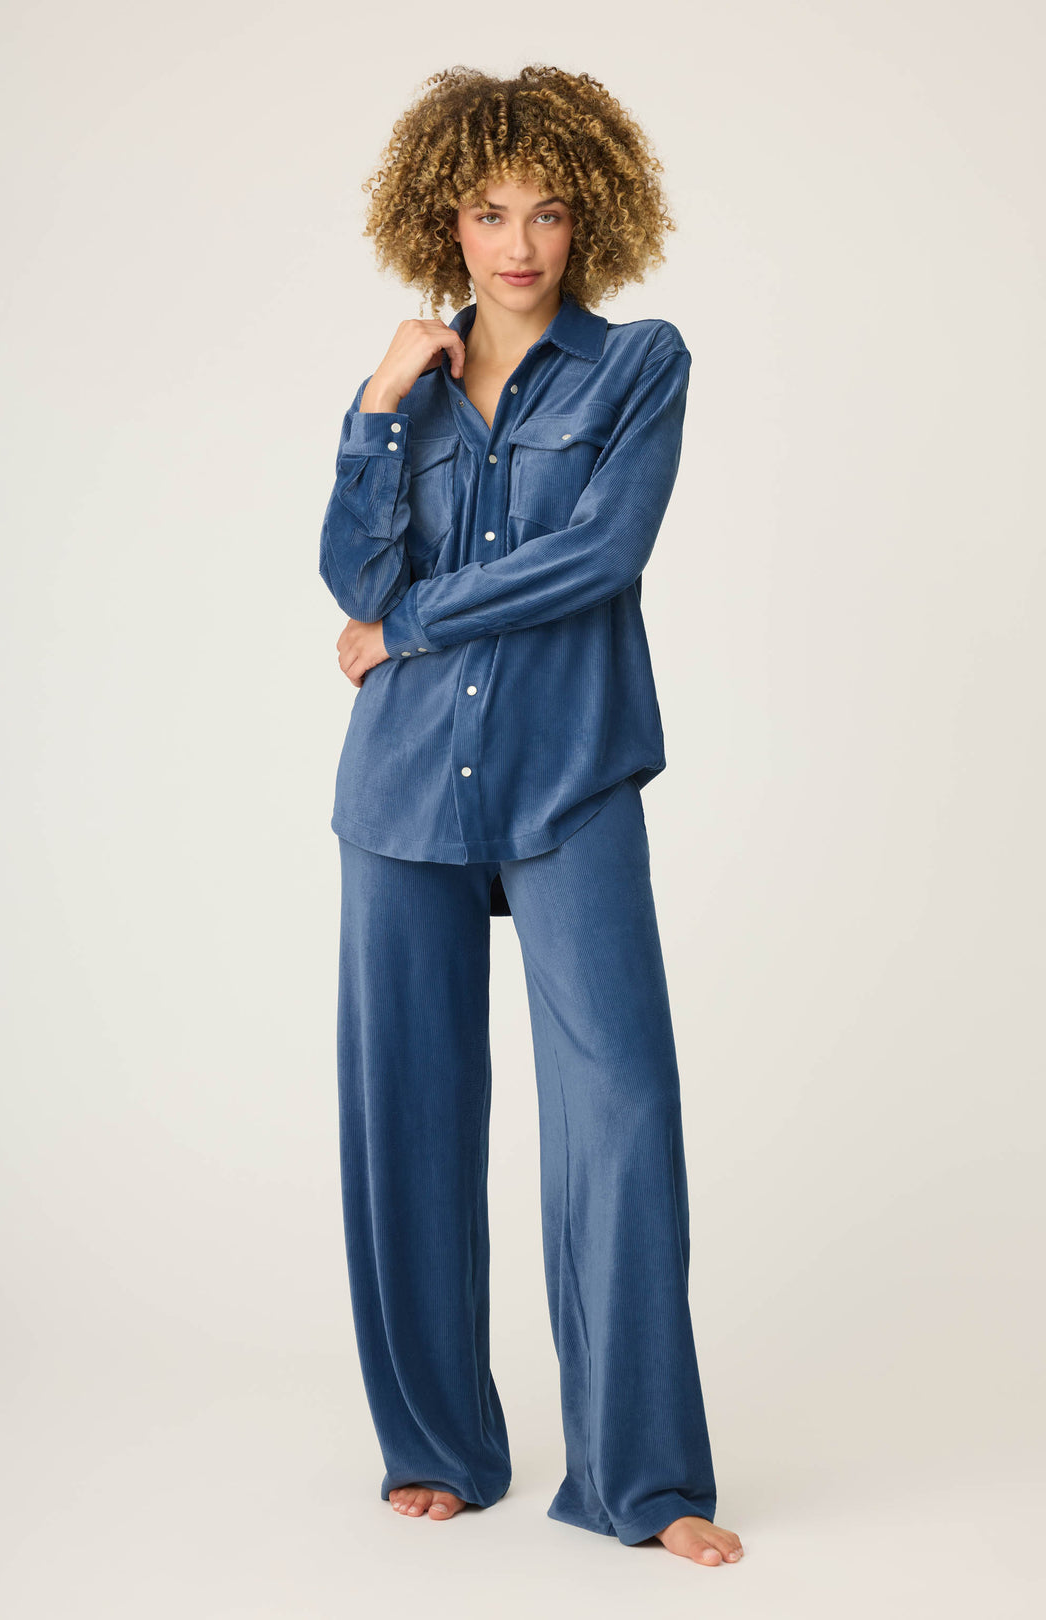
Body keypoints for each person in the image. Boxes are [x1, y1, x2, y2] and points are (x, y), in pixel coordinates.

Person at [318, 64, 744, 1567]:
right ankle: (434, 1441)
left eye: (548, 209)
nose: (519, 242)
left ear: (590, 217)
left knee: (620, 1110)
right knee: (410, 1116)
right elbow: (345, 585)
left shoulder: (639, 369)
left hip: (571, 776)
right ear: (446, 212)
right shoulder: (407, 390)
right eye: (492, 210)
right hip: (402, 791)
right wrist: (378, 410)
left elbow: (600, 557)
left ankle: (644, 1479)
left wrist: (417, 620)